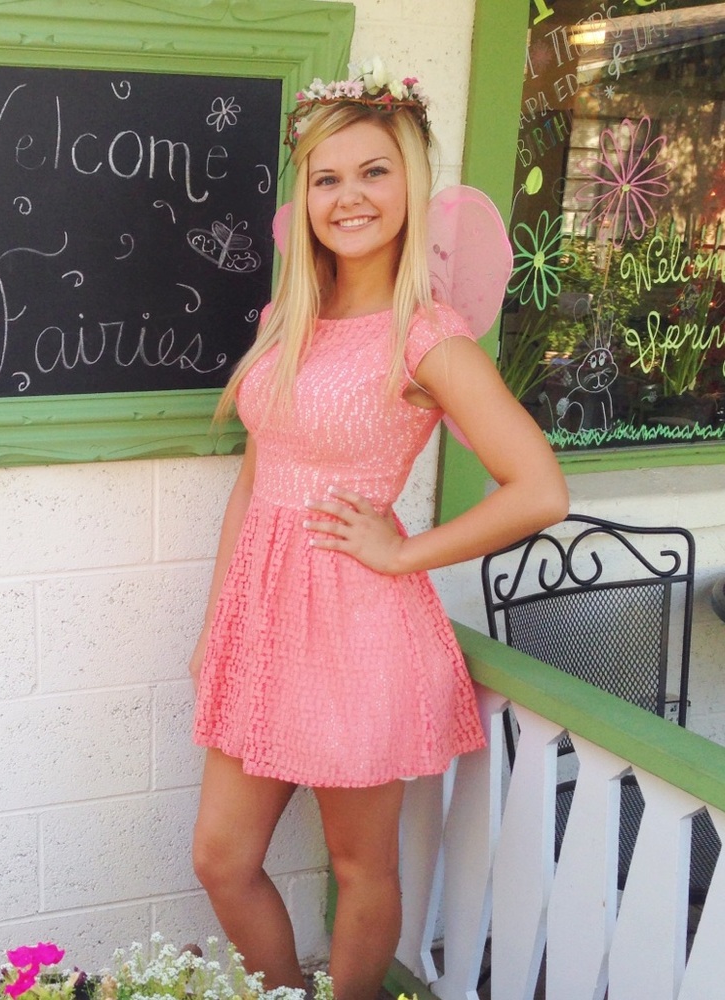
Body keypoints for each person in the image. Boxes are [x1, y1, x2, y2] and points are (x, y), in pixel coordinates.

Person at [189, 62, 569, 1000]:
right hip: (264, 622)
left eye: (374, 172)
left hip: (359, 628)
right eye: (327, 177)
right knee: (220, 859)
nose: (349, 196)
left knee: (363, 869)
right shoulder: (289, 317)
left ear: (410, 186)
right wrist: (215, 627)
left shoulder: (426, 336)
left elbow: (539, 489)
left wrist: (403, 551)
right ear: (305, 196)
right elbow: (253, 479)